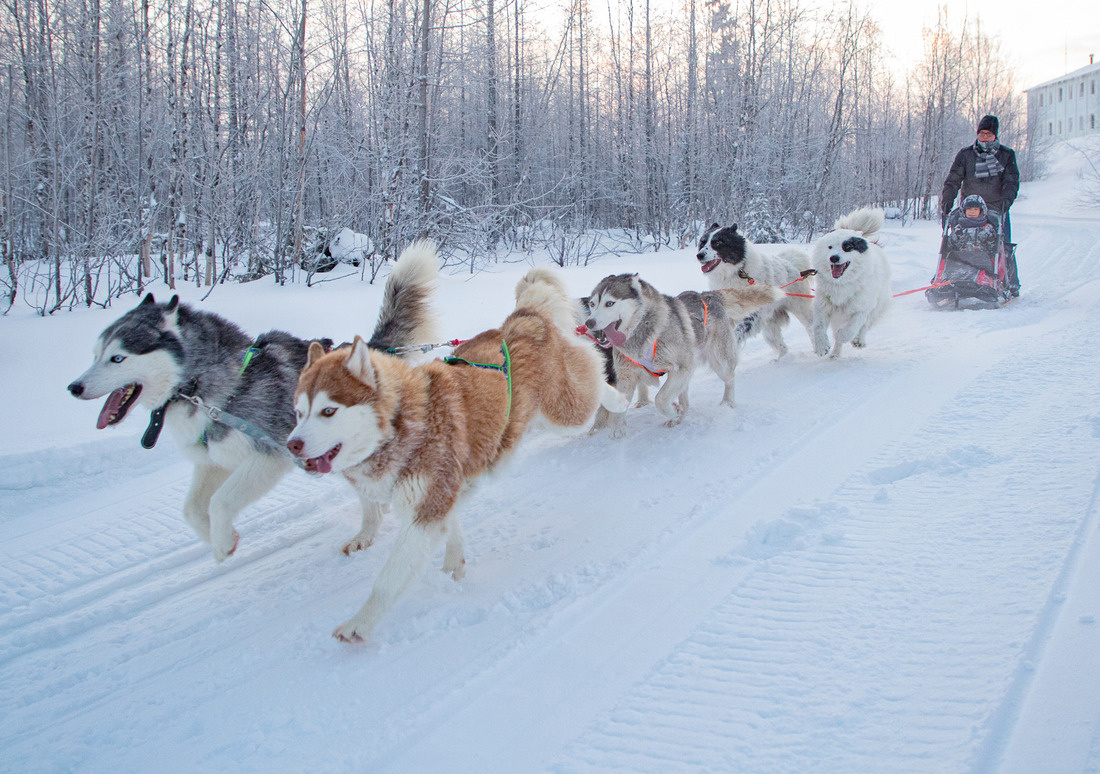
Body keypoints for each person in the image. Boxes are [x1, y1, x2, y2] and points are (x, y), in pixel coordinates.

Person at [941, 115, 1020, 295]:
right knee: (962, 242)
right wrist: (947, 198)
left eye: (988, 134)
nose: (984, 137)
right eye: (981, 133)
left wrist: (1006, 201)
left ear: (995, 135)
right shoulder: (966, 154)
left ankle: (1010, 283)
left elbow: (1011, 181)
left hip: (996, 208)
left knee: (1002, 244)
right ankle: (959, 278)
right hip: (970, 209)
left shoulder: (1006, 155)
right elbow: (953, 179)